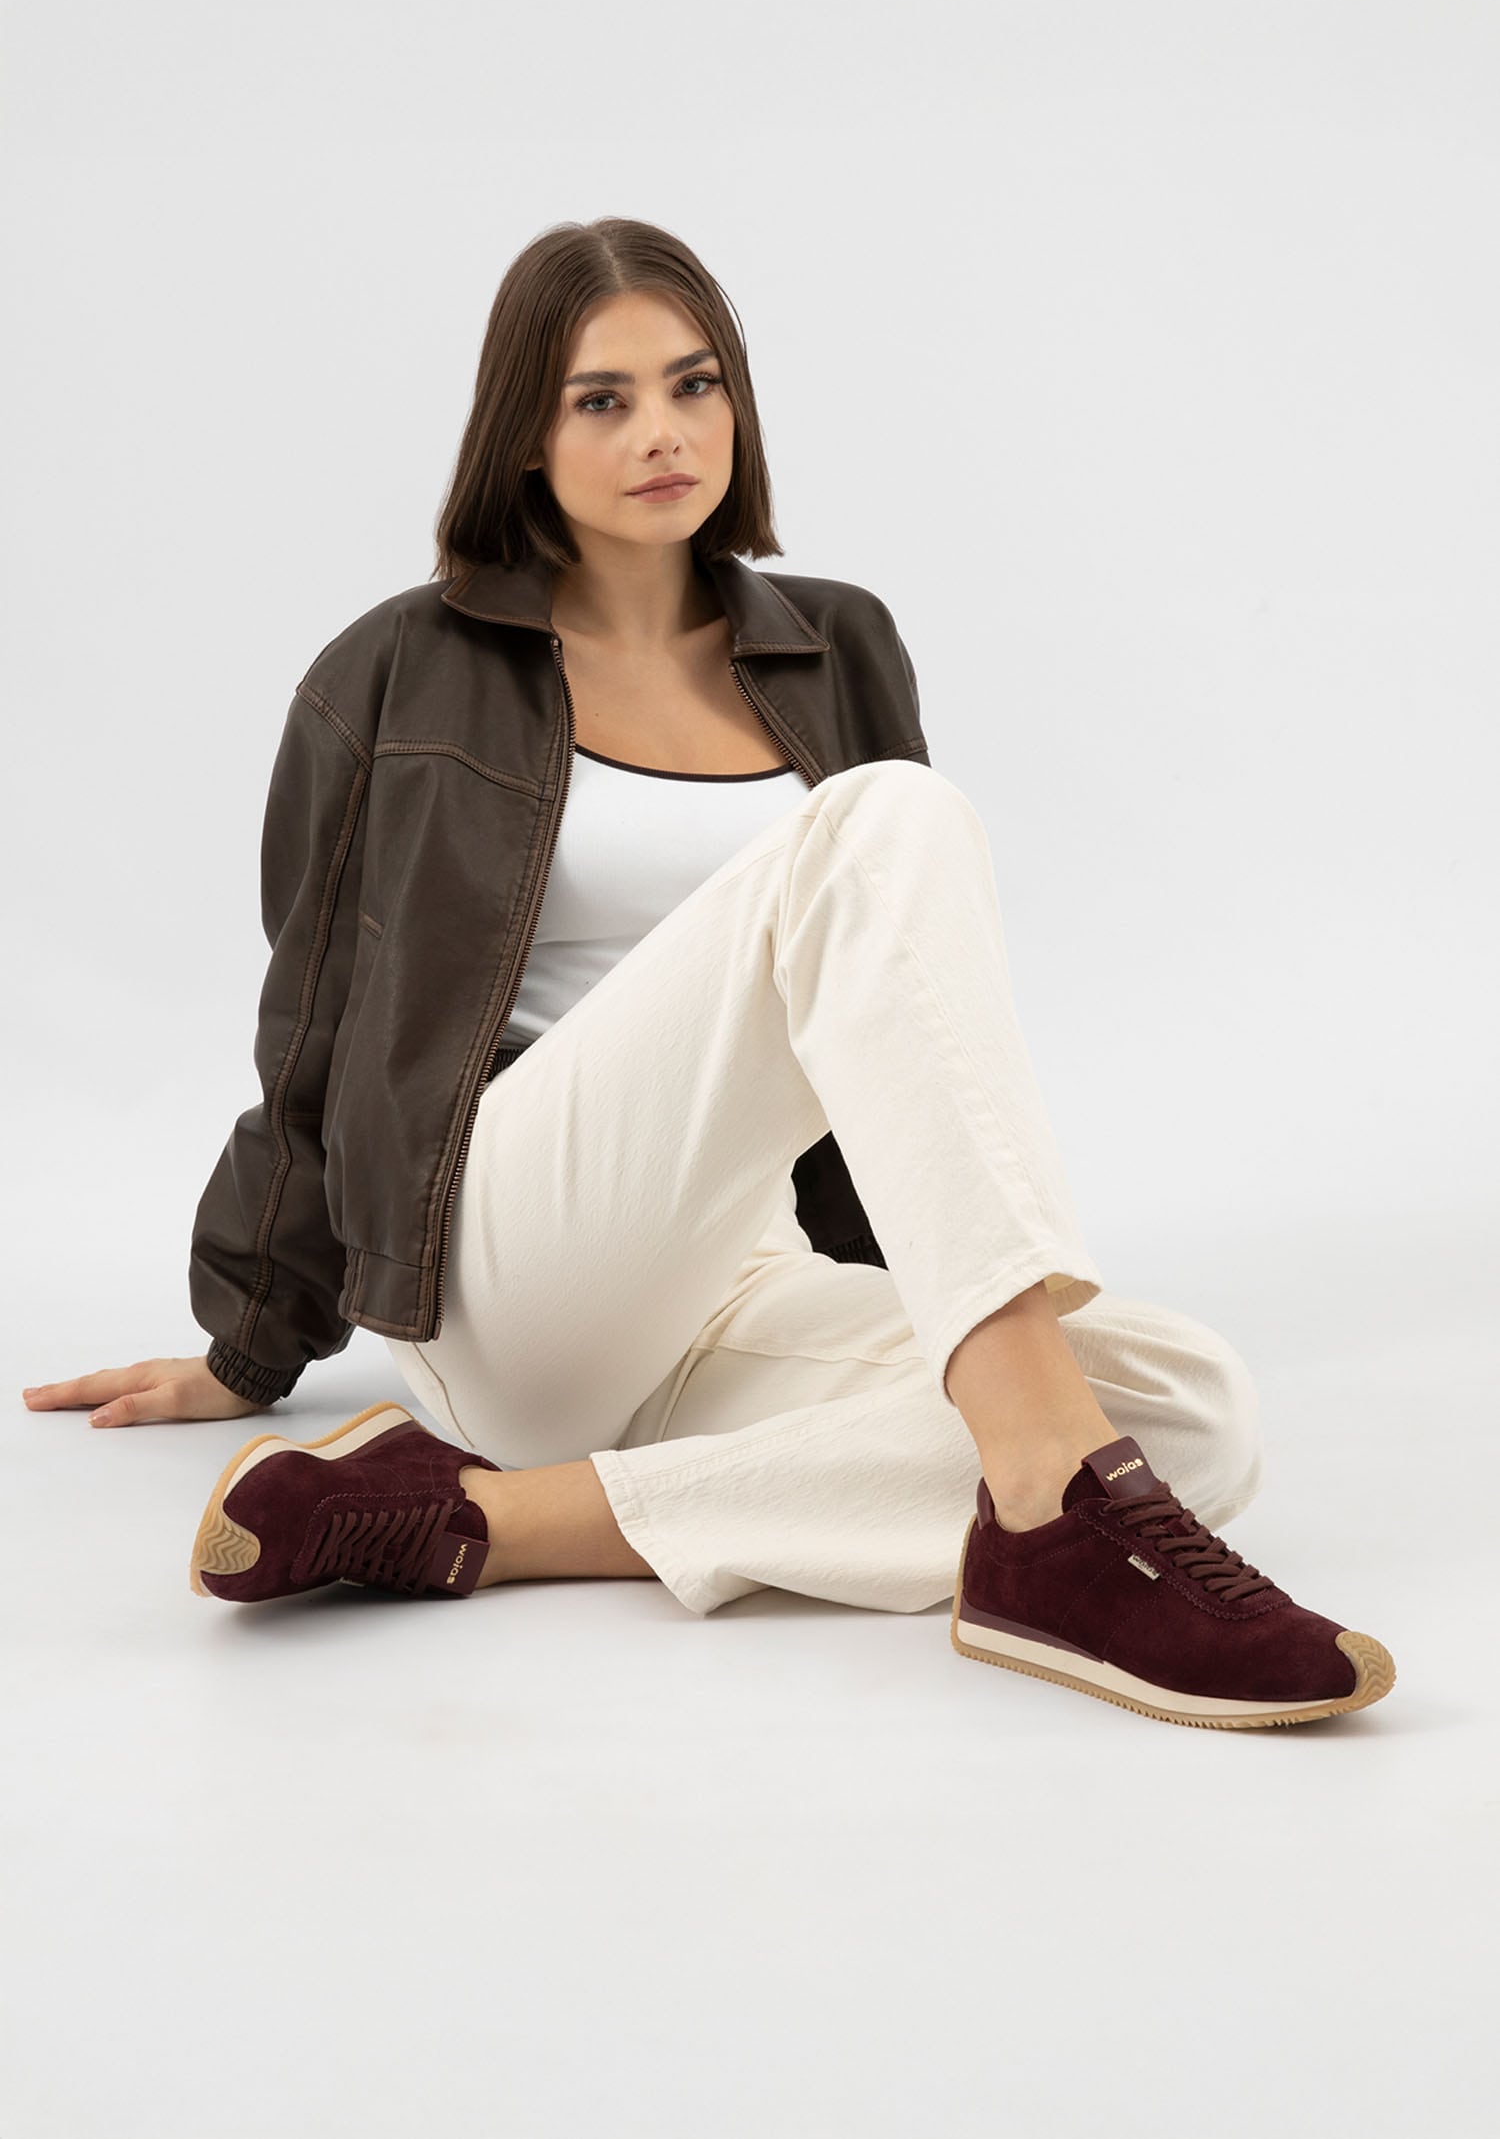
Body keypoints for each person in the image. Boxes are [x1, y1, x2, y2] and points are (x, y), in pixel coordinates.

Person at [21, 217, 1394, 1728]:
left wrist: (908, 1287)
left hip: (739, 1258)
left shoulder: (838, 645)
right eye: (601, 400)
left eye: (694, 384)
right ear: (525, 436)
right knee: (888, 820)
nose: (663, 433)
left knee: (1193, 1406)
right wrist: (250, 1340)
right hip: (506, 1260)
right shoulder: (397, 669)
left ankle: (486, 1518)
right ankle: (1050, 1514)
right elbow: (311, 1027)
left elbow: (897, 995)